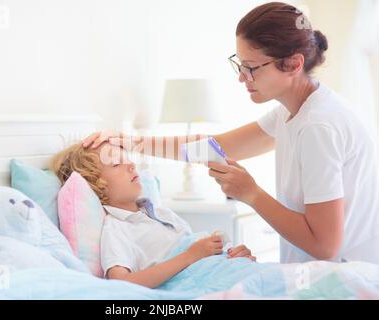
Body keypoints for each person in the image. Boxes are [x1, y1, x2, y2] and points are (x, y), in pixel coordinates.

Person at [82, 2, 379, 264]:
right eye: (239, 64)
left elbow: (325, 247)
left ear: (294, 64)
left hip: (342, 278)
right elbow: (215, 147)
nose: (241, 77)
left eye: (251, 68)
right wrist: (132, 143)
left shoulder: (318, 127)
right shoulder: (294, 110)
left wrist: (251, 194)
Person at [51, 142, 255, 288]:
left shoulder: (161, 213)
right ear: (96, 186)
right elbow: (121, 283)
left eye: (127, 160)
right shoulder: (117, 229)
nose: (131, 165)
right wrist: (191, 255)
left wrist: (230, 254)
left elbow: (194, 248)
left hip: (222, 271)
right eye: (116, 164)